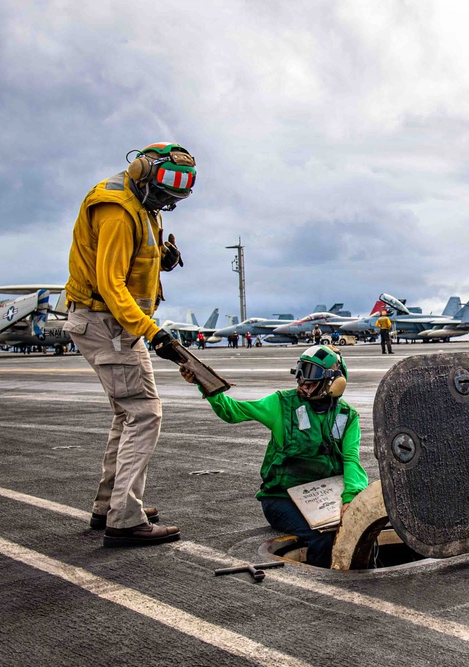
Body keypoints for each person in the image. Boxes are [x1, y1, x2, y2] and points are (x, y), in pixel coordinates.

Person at [63, 142, 196, 547]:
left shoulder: (144, 202)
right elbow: (111, 284)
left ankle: (110, 506)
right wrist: (153, 332)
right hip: (109, 323)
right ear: (142, 171)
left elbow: (136, 256)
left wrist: (163, 259)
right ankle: (124, 519)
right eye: (165, 191)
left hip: (114, 323)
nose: (168, 200)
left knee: (127, 413)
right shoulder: (119, 211)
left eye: (178, 193)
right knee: (145, 413)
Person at [181, 344, 368, 568]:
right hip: (282, 498)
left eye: (311, 376)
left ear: (334, 380)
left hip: (326, 495)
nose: (302, 382)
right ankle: (321, 582)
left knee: (361, 530)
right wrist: (205, 384)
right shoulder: (282, 404)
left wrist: (350, 498)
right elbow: (233, 411)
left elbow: (351, 460)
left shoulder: (348, 416)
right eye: (301, 373)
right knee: (323, 538)